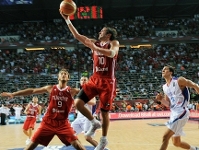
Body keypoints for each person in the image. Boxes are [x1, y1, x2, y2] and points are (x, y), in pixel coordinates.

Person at [60, 11, 120, 150]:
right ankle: (94, 122)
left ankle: (104, 139)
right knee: (78, 102)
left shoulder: (113, 42)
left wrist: (95, 48)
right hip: (95, 79)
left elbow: (112, 53)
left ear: (108, 34)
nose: (99, 32)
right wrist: (67, 20)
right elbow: (77, 36)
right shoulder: (94, 42)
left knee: (104, 112)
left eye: (102, 31)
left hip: (107, 81)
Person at [0, 69, 86, 150]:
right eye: (62, 74)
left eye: (65, 74)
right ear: (58, 77)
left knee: (77, 144)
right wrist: (13, 94)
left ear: (68, 78)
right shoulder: (51, 88)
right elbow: (32, 91)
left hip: (63, 123)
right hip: (48, 122)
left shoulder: (72, 91)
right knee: (32, 145)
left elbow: (90, 93)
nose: (63, 75)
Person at [156, 65, 199, 150]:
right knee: (176, 142)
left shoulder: (179, 80)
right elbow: (168, 104)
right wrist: (161, 99)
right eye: (162, 69)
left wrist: (197, 88)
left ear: (171, 72)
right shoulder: (165, 87)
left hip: (181, 112)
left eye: (165, 69)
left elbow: (194, 84)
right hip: (174, 113)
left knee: (165, 137)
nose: (163, 70)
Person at [71, 76, 98, 147]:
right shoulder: (78, 92)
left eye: (85, 80)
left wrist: (82, 99)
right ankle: (81, 148)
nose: (83, 81)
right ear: (80, 82)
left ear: (88, 82)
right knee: (70, 134)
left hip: (87, 118)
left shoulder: (90, 91)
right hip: (79, 118)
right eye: (82, 80)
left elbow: (93, 102)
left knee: (88, 138)